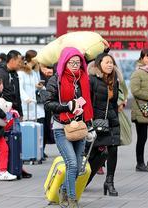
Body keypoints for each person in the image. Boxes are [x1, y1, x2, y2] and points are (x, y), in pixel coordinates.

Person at [44, 47, 95, 208]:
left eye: (78, 62)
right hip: (61, 127)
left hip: (79, 127)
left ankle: (64, 190)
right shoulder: (56, 80)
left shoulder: (83, 79)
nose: (75, 65)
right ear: (64, 62)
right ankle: (72, 200)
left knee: (78, 166)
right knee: (72, 163)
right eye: (71, 62)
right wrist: (68, 106)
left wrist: (89, 123)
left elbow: (88, 102)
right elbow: (47, 104)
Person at [87, 53, 121, 196]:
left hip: (111, 121)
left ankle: (109, 182)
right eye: (106, 62)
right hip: (96, 121)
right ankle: (83, 179)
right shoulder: (92, 80)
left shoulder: (115, 81)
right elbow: (88, 102)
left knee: (113, 150)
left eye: (111, 62)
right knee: (92, 153)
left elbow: (113, 103)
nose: (109, 65)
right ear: (99, 64)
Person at [0, 50, 32, 178]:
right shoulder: (0, 73)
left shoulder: (15, 74)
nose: (21, 63)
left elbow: (17, 95)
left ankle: (17, 165)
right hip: (4, 112)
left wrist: (20, 112)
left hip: (14, 112)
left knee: (14, 138)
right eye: (19, 60)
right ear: (11, 60)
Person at [130, 48, 148, 172]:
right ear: (142, 59)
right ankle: (140, 163)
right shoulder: (137, 73)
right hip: (141, 110)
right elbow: (135, 91)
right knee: (142, 137)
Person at [17, 50, 44, 121]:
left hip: (36, 105)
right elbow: (20, 88)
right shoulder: (20, 73)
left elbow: (38, 85)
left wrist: (40, 86)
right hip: (26, 104)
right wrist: (26, 98)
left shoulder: (33, 72)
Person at [39, 63, 55, 157]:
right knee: (42, 128)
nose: (48, 70)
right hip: (40, 105)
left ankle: (42, 149)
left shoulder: (52, 77)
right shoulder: (39, 75)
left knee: (46, 128)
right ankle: (39, 150)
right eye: (45, 67)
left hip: (48, 105)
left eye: (49, 68)